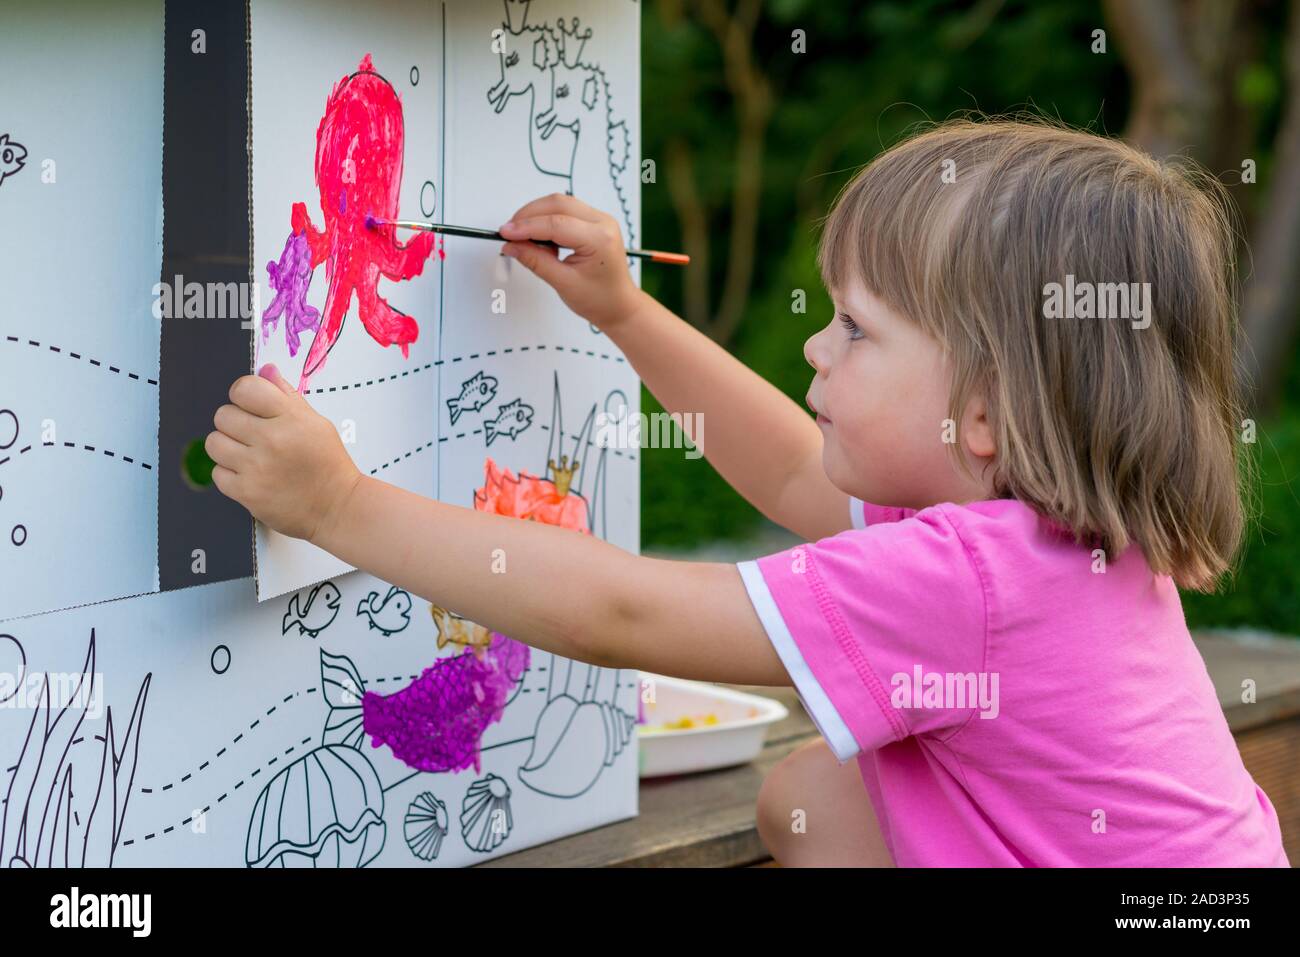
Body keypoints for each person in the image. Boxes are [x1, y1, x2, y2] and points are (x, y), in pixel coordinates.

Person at [208, 118, 1290, 867]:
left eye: (856, 328)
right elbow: (783, 468)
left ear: (987, 413)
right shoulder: (1033, 540)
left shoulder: (969, 581)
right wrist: (622, 314)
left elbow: (617, 610)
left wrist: (340, 506)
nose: (816, 347)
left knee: (822, 788)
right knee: (812, 795)